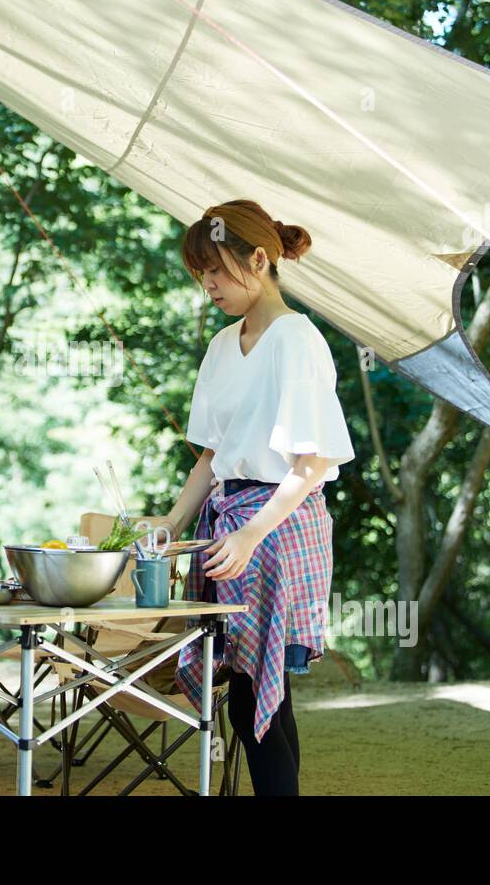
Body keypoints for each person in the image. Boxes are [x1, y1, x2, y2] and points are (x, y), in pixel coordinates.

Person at [156, 199, 355, 795]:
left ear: (259, 259)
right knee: (252, 700)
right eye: (200, 274)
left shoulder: (298, 339)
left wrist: (250, 533)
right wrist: (169, 523)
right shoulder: (222, 345)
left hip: (278, 526)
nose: (208, 284)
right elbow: (212, 458)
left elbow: (312, 462)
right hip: (231, 525)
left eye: (215, 269)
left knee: (253, 699)